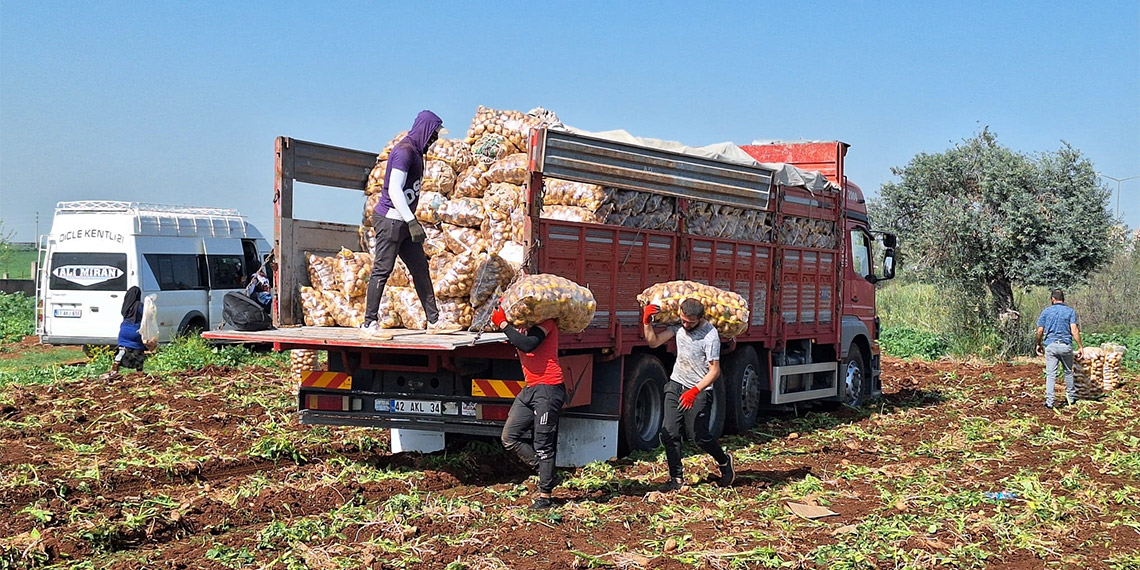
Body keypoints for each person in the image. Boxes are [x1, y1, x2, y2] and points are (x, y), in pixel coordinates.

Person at [361, 110, 451, 333]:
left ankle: (434, 321)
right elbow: (394, 189)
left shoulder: (418, 153)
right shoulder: (404, 152)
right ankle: (369, 322)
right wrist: (412, 221)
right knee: (382, 270)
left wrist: (411, 222)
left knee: (420, 268)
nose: (435, 140)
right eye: (433, 134)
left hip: (404, 221)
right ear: (425, 131)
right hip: (391, 219)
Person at [642, 298, 735, 490]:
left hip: (698, 389)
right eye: (683, 320)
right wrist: (646, 322)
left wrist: (694, 391)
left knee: (698, 436)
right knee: (669, 432)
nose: (686, 325)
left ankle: (724, 460)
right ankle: (676, 479)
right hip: (676, 384)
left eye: (690, 322)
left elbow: (714, 371)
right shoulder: (678, 327)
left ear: (701, 318)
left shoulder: (710, 336)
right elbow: (653, 342)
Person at [491, 303, 566, 510]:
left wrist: (503, 324)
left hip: (549, 389)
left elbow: (527, 344)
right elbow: (518, 339)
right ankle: (547, 473)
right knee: (509, 437)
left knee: (543, 444)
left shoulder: (547, 323)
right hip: (531, 388)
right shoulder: (523, 325)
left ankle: (545, 497)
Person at [1035, 289, 1083, 409]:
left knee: (1051, 375)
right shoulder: (1070, 311)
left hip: (1051, 346)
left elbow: (1040, 330)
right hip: (1066, 346)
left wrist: (1038, 343)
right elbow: (1074, 330)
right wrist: (1080, 346)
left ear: (1053, 299)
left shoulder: (1046, 311)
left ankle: (1049, 402)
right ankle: (1071, 399)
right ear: (1063, 299)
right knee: (1068, 372)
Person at [102, 286, 148, 380]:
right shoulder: (139, 306)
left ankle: (114, 369)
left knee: (122, 350)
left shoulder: (126, 306)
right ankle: (139, 372)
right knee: (138, 353)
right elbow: (147, 316)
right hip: (135, 332)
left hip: (123, 332)